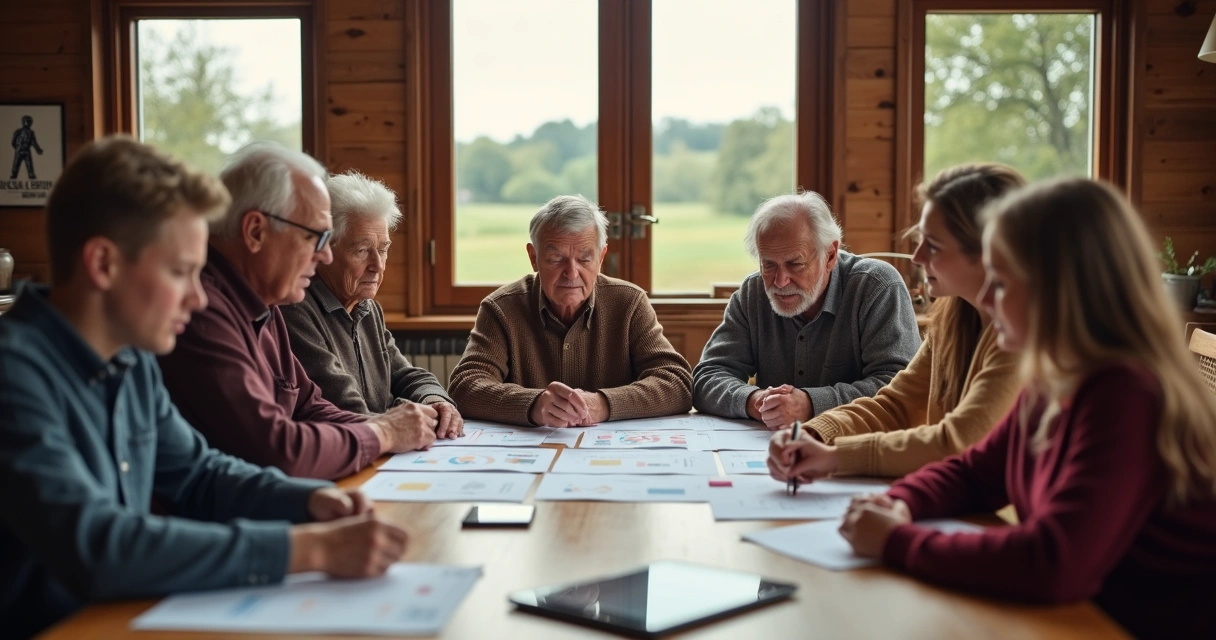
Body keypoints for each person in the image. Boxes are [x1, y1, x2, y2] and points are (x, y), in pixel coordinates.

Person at [0, 137, 410, 639]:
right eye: (180, 272)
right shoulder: (14, 375)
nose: (198, 299)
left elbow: (199, 476)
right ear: (103, 264)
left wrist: (306, 503)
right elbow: (98, 547)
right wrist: (311, 550)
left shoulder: (131, 359)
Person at [835, 178, 1216, 639]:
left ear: (1059, 290)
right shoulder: (1055, 378)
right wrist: (896, 503)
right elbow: (974, 474)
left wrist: (897, 541)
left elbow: (1054, 562)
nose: (988, 301)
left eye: (1000, 282)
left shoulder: (1125, 392)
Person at [158, 143, 444, 481]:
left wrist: (386, 426)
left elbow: (310, 405)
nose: (324, 257)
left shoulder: (266, 302)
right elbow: (276, 449)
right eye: (315, 238)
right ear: (255, 232)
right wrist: (384, 433)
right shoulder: (203, 309)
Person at [766, 164, 1024, 478]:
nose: (916, 257)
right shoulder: (952, 317)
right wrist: (816, 433)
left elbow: (955, 443)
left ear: (987, 251)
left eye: (933, 245)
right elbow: (896, 404)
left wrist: (836, 457)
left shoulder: (1021, 333)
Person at [448, 194, 692, 427]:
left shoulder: (629, 303)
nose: (572, 273)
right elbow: (465, 386)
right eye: (556, 259)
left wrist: (602, 404)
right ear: (534, 257)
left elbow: (677, 383)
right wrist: (534, 404)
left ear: (601, 256)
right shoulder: (502, 308)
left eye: (585, 259)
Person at [693, 191, 921, 429]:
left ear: (830, 255)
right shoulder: (753, 293)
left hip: (860, 448)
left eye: (795, 264)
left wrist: (810, 404)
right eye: (768, 264)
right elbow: (707, 377)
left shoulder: (876, 287)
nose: (780, 281)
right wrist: (755, 400)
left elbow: (901, 388)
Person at [282, 171, 462, 434]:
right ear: (324, 251)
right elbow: (347, 407)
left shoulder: (367, 308)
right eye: (362, 250)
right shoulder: (296, 309)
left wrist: (435, 400)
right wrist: (417, 415)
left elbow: (404, 375)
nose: (377, 266)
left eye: (383, 249)